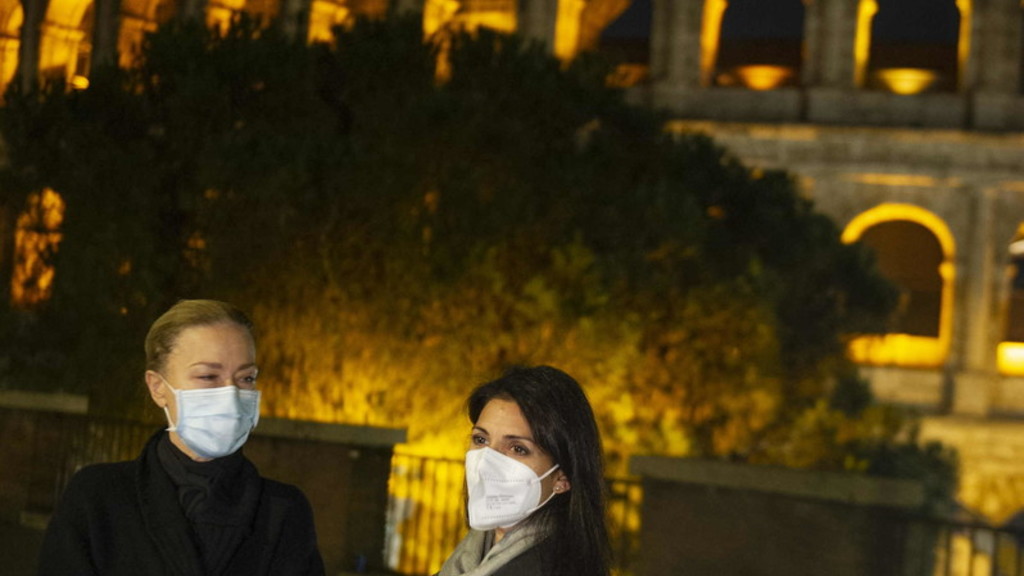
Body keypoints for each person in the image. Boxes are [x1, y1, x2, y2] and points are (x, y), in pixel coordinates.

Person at [38, 299, 325, 575]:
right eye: (208, 377)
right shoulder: (98, 497)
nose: (231, 394)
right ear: (157, 387)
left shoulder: (283, 510)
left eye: (246, 378)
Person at [436, 365, 611, 576]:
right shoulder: (468, 558)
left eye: (518, 449)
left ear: (562, 478)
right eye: (480, 440)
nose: (485, 462)